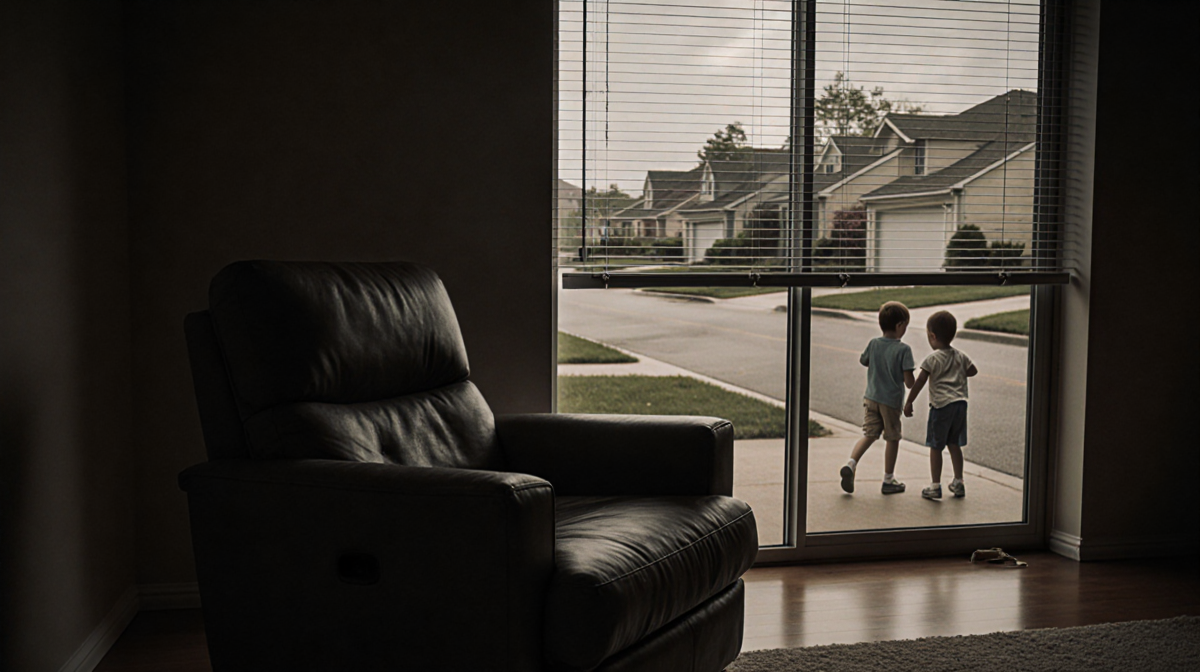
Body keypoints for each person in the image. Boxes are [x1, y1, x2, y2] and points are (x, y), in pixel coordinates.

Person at [840, 301, 915, 495]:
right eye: (905, 326)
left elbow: (864, 360)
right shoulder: (903, 350)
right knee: (892, 438)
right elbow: (909, 382)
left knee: (869, 434)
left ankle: (851, 463)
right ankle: (888, 479)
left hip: (871, 397)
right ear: (899, 326)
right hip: (890, 402)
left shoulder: (874, 343)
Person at [904, 310, 978, 500]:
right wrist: (957, 373)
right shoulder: (961, 356)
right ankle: (959, 482)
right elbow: (973, 371)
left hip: (941, 407)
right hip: (960, 405)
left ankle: (935, 486)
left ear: (932, 336)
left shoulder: (932, 359)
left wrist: (909, 401)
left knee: (936, 446)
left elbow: (919, 381)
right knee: (954, 443)